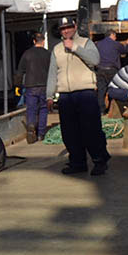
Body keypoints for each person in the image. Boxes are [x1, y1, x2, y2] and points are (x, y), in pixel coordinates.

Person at [46, 16, 110, 176]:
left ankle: (99, 161)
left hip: (85, 93)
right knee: (70, 132)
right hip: (66, 96)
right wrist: (49, 94)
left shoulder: (85, 43)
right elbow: (53, 73)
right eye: (63, 28)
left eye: (68, 27)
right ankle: (78, 162)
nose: (66, 30)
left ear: (74, 26)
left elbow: (95, 60)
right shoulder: (57, 49)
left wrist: (74, 47)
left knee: (91, 130)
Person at [14, 32, 51, 143]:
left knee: (31, 109)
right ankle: (41, 134)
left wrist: (17, 85)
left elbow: (20, 71)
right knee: (44, 109)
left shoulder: (27, 54)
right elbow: (53, 71)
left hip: (31, 86)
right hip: (44, 85)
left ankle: (31, 127)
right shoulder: (48, 54)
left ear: (34, 41)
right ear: (43, 41)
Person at [95, 30, 128, 113]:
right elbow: (125, 50)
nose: (116, 38)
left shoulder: (98, 44)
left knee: (101, 91)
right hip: (112, 70)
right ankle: (115, 110)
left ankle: (101, 111)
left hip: (100, 70)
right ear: (112, 35)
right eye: (115, 36)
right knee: (114, 89)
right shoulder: (115, 44)